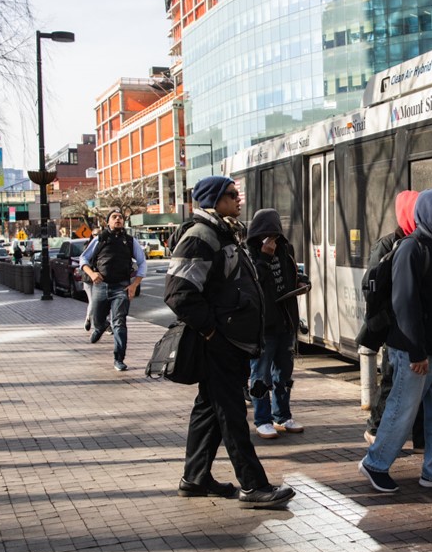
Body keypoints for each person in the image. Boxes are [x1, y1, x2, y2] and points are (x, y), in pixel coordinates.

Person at [164, 175, 294, 509]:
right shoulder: (200, 236)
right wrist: (212, 332)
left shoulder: (225, 233)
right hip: (218, 344)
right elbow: (178, 294)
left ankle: (195, 479)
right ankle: (253, 486)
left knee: (209, 410)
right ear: (213, 200)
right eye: (232, 195)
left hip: (229, 342)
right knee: (231, 414)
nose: (239, 199)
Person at [358, 188, 432, 493]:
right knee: (402, 412)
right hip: (415, 354)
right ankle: (375, 464)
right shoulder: (411, 249)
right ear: (426, 214)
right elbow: (405, 304)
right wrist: (416, 350)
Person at [358, 189, 424, 449]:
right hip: (394, 327)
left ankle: (418, 438)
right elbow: (373, 286)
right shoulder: (388, 244)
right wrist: (387, 317)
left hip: (413, 326)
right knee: (391, 380)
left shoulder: (420, 241)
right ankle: (375, 430)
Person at [247, 208, 306, 439]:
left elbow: (289, 277)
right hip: (263, 325)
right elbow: (253, 287)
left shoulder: (286, 249)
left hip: (285, 320)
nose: (273, 239)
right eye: (268, 234)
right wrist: (264, 258)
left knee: (284, 373)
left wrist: (300, 281)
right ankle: (262, 419)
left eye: (276, 234)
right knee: (260, 374)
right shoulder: (250, 253)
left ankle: (283, 415)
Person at [79, 208, 146, 372]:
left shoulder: (130, 241)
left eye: (120, 217)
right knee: (96, 317)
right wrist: (92, 273)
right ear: (107, 222)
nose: (118, 219)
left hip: (121, 287)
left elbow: (142, 263)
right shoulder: (99, 238)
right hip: (100, 286)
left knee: (120, 324)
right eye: (114, 217)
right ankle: (100, 326)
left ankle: (119, 359)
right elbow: (84, 258)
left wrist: (134, 284)